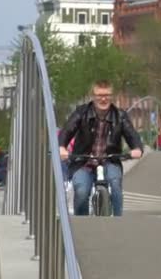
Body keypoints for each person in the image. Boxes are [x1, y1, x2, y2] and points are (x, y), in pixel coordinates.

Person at [58, 80, 143, 216]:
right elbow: (67, 130)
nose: (103, 99)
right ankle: (82, 224)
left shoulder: (120, 116)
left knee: (115, 184)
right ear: (93, 96)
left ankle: (117, 219)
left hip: (110, 160)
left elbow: (132, 135)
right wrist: (61, 147)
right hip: (84, 161)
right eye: (99, 95)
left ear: (111, 96)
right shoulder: (82, 113)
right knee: (81, 190)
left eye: (107, 95)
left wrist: (137, 148)